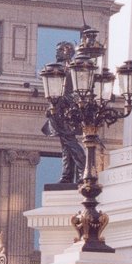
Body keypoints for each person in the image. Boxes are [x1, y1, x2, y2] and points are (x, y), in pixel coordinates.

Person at [40, 41, 86, 184]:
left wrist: (62, 102)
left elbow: (76, 93)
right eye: (57, 49)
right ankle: (67, 175)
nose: (57, 52)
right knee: (65, 144)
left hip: (67, 112)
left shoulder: (71, 70)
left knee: (70, 142)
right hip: (58, 112)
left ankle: (83, 170)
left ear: (68, 51)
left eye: (60, 49)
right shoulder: (58, 70)